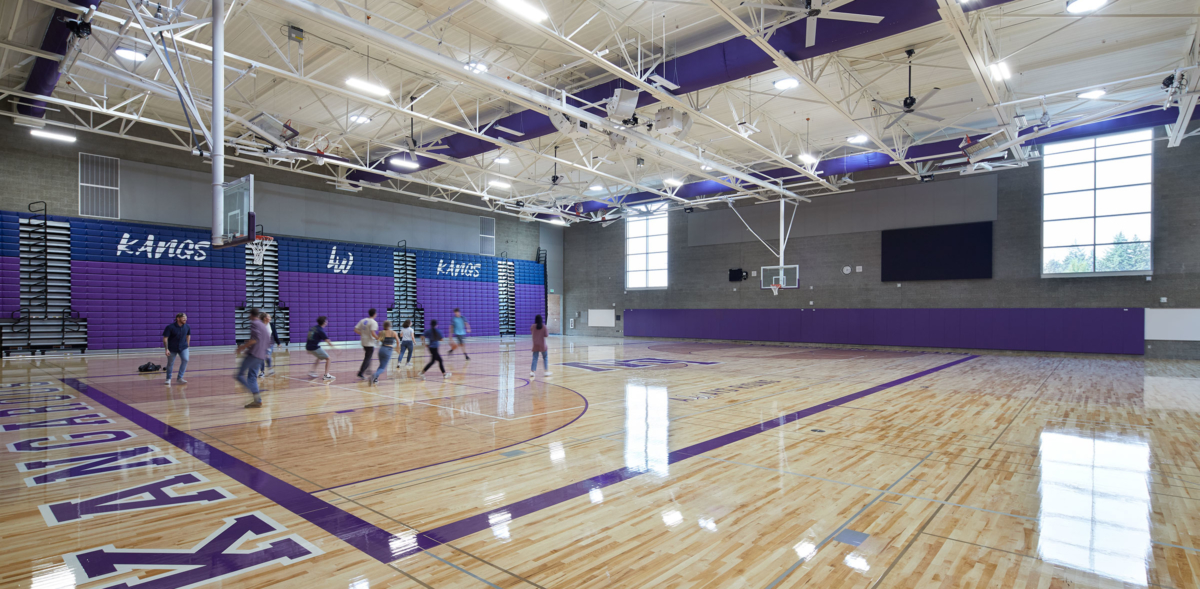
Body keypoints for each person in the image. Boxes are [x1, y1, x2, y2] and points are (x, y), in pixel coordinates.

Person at [235, 308, 271, 408]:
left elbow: (255, 339)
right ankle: (257, 400)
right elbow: (267, 340)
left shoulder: (254, 323)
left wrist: (242, 347)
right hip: (261, 355)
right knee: (252, 377)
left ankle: (254, 393)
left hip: (254, 354)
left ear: (251, 315)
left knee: (239, 375)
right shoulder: (263, 325)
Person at [162, 313, 191, 385]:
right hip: (172, 348)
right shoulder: (170, 327)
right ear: (178, 318)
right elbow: (165, 339)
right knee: (170, 363)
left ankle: (180, 378)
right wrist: (166, 349)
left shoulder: (187, 326)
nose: (185, 319)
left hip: (183, 347)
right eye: (183, 318)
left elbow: (188, 335)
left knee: (186, 359)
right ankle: (168, 378)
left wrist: (187, 345)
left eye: (186, 318)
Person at [306, 316, 335, 381]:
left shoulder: (313, 328)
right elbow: (327, 341)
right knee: (329, 358)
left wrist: (308, 348)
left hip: (309, 346)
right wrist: (335, 349)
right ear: (324, 322)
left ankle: (312, 371)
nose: (327, 321)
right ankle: (326, 375)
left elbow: (309, 337)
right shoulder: (321, 330)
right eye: (326, 321)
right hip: (314, 347)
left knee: (319, 357)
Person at [355, 308, 379, 380]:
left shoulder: (363, 320)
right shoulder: (373, 322)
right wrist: (378, 338)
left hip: (363, 342)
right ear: (374, 314)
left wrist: (362, 334)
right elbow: (373, 333)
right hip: (370, 343)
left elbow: (355, 329)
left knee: (368, 357)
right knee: (367, 358)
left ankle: (368, 370)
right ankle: (361, 372)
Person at [260, 313, 279, 378]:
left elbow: (275, 334)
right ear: (264, 318)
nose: (270, 318)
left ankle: (270, 369)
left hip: (270, 344)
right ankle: (262, 372)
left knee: (267, 355)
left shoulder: (271, 325)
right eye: (269, 317)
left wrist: (278, 343)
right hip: (261, 344)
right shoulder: (260, 326)